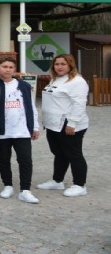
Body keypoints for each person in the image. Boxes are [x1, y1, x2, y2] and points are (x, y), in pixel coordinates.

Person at [37, 54, 90, 197]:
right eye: (57, 64)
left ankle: (80, 185)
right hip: (53, 124)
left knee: (74, 154)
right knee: (59, 153)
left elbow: (79, 104)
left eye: (63, 64)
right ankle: (57, 181)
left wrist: (72, 123)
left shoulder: (77, 81)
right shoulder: (56, 79)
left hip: (68, 123)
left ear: (70, 65)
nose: (59, 67)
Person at [0, 57, 40, 204]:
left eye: (11, 67)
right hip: (1, 130)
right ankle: (8, 185)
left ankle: (25, 190)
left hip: (22, 129)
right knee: (3, 159)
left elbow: (31, 106)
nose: (8, 69)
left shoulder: (24, 85)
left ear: (15, 69)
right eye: (4, 66)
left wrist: (35, 126)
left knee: (25, 160)